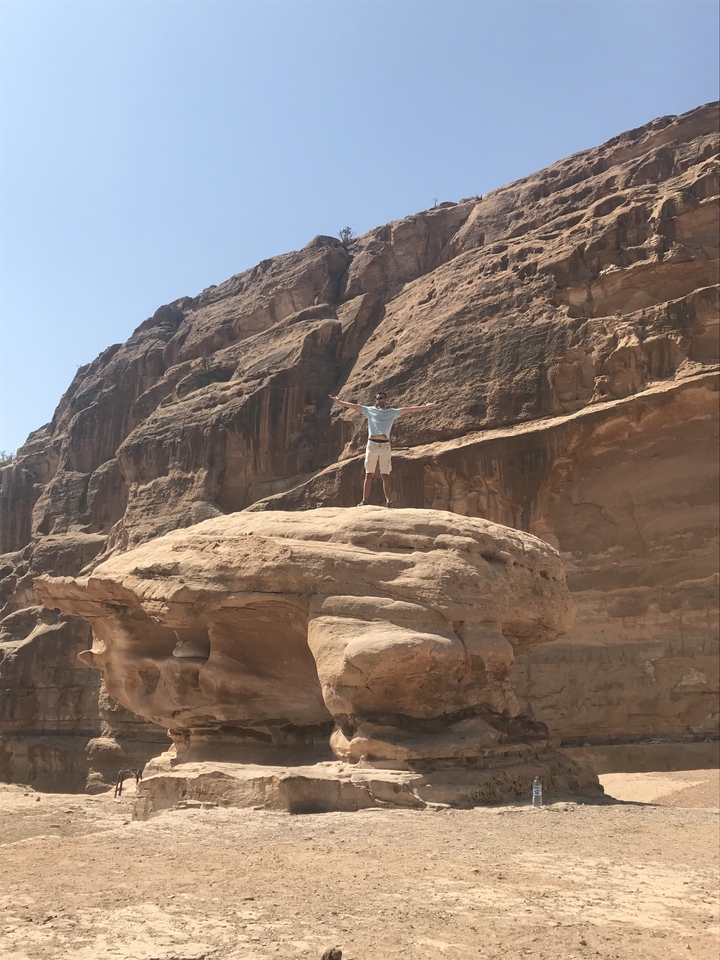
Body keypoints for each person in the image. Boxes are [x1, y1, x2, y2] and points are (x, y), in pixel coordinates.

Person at [329, 391, 438, 507]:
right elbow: (353, 406)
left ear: (386, 400)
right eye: (379, 398)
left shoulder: (392, 412)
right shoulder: (369, 410)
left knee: (385, 475)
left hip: (385, 445)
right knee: (369, 474)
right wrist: (339, 402)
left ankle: (389, 502)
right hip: (372, 444)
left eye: (382, 398)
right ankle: (364, 501)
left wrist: (427, 407)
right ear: (376, 400)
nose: (380, 400)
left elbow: (410, 409)